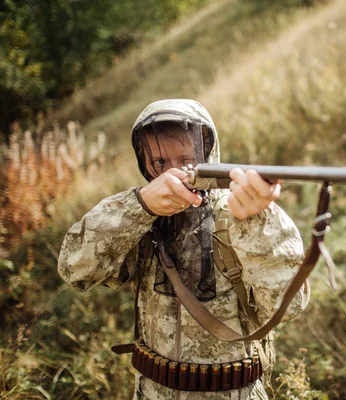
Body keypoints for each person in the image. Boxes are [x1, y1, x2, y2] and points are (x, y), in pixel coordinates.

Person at [58, 99, 310, 399]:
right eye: (159, 163)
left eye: (186, 159)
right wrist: (139, 207)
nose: (173, 172)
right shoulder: (140, 219)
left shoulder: (237, 215)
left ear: (207, 154)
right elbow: (74, 268)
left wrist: (257, 220)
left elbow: (289, 305)